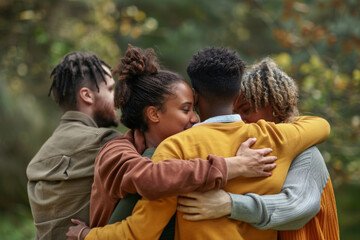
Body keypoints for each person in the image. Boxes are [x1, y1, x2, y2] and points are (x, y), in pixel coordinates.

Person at [68, 47, 330, 240]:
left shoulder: (176, 148)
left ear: (196, 96)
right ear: (238, 93)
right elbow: (321, 125)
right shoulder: (277, 138)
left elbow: (141, 231)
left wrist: (86, 236)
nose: (190, 116)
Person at [27, 50, 274, 240]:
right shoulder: (115, 149)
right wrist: (232, 166)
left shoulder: (185, 147)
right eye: (186, 109)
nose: (195, 118)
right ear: (154, 114)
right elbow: (151, 178)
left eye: (194, 109)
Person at [177, 58, 340, 239]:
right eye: (236, 112)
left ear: (275, 107)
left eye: (246, 110)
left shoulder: (306, 152)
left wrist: (231, 204)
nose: (240, 119)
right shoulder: (248, 146)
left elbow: (297, 208)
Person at [26, 52, 121, 239]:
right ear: (87, 95)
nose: (117, 98)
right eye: (110, 90)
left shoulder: (40, 155)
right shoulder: (105, 141)